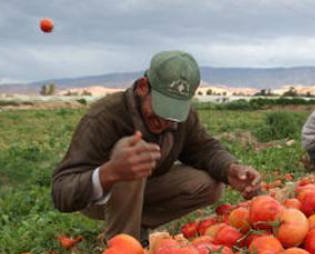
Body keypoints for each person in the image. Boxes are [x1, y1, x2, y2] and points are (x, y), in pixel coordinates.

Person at [51, 50, 261, 242]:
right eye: (160, 109)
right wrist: (110, 172)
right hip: (100, 198)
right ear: (143, 87)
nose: (165, 123)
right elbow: (62, 191)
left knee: (209, 184)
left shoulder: (179, 118)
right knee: (132, 149)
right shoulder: (104, 117)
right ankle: (123, 244)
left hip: (146, 188)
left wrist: (230, 168)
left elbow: (203, 148)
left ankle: (138, 224)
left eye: (173, 114)